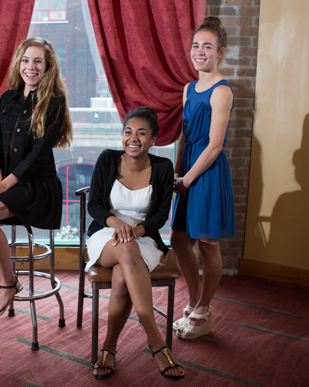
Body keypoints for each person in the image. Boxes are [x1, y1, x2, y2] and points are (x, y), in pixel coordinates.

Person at [0, 37, 72, 320]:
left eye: (37, 61)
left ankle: (10, 283)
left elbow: (37, 156)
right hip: (5, 180)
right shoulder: (8, 98)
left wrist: (3, 186)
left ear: (47, 67)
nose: (30, 67)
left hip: (36, 185)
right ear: (18, 63)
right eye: (25, 60)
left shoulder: (54, 101)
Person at [86, 107, 185, 381]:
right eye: (128, 132)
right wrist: (117, 224)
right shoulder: (107, 160)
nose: (133, 138)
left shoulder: (163, 168)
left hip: (144, 237)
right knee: (126, 248)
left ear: (154, 140)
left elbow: (161, 215)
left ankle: (108, 348)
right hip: (107, 235)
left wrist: (136, 229)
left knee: (121, 279)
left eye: (142, 133)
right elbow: (94, 204)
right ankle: (156, 341)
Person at [170, 16, 235, 340]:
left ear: (220, 52)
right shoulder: (189, 88)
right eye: (196, 45)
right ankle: (195, 302)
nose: (200, 51)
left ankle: (203, 311)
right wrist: (177, 171)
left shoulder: (222, 91)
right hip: (188, 171)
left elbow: (215, 144)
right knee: (179, 240)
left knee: (208, 244)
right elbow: (185, 134)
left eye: (207, 46)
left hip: (207, 173)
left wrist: (190, 179)